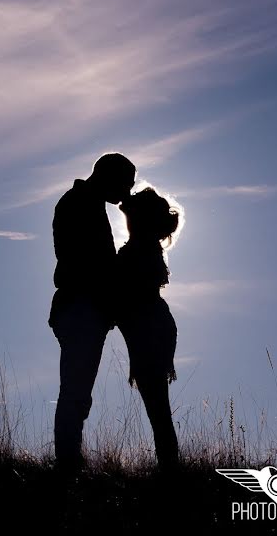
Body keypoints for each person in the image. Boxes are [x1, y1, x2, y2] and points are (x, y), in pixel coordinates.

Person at [48, 152, 136, 472]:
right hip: (80, 306)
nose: (127, 193)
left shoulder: (85, 202)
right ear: (107, 177)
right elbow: (88, 263)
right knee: (76, 391)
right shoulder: (80, 203)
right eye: (125, 185)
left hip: (82, 307)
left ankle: (69, 460)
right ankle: (68, 463)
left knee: (77, 390)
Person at [115, 186, 182, 471]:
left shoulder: (138, 249)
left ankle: (170, 472)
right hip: (154, 327)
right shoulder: (146, 246)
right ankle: (169, 470)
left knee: (158, 410)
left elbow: (125, 295)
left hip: (149, 331)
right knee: (158, 409)